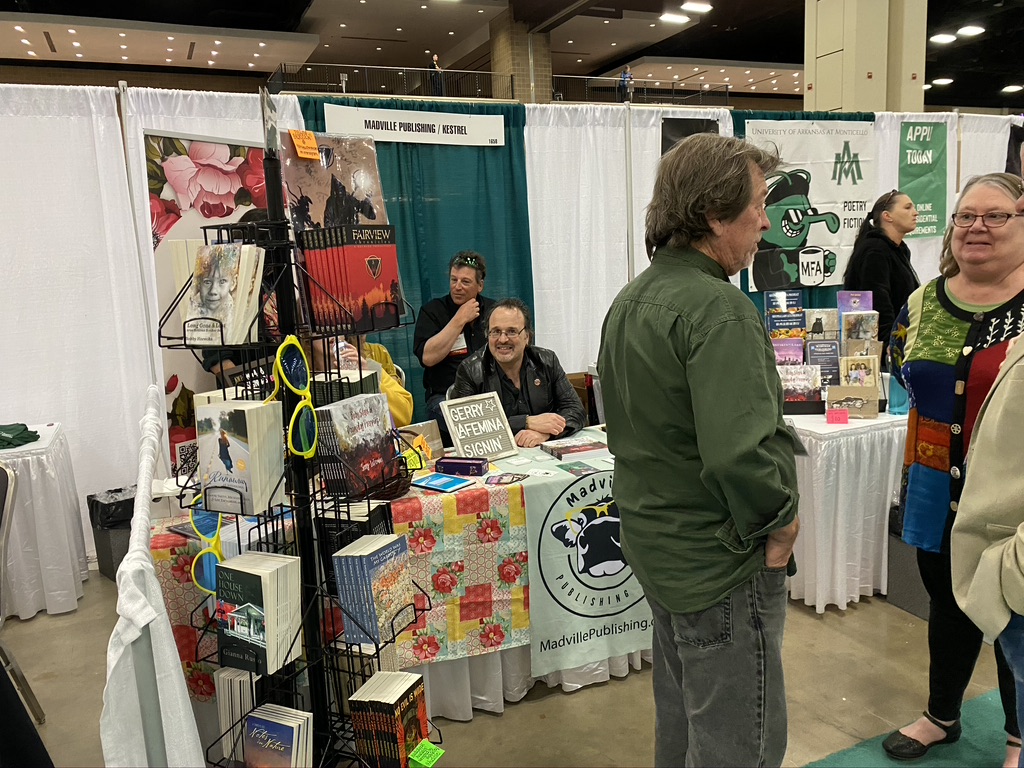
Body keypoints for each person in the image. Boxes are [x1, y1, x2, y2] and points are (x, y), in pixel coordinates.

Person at [597, 133, 800, 768]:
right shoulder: (722, 311)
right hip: (720, 560)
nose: (766, 220)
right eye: (758, 203)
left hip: (660, 548)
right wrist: (783, 522)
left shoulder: (631, 300)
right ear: (714, 214)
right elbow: (738, 454)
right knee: (744, 741)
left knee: (683, 719)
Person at [885, 172, 1024, 766]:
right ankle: (943, 714)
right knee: (946, 604)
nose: (977, 228)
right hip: (935, 488)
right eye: (966, 216)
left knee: (1016, 613)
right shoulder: (921, 302)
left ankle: (1020, 735)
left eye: (996, 216)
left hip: (1011, 497)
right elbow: (902, 372)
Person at [450, 298, 585, 447]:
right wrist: (527, 422)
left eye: (512, 331)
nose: (502, 339)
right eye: (495, 332)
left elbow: (575, 410)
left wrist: (545, 433)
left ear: (527, 336)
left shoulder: (546, 361)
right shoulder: (470, 370)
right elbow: (464, 429)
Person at [413, 251, 495, 437]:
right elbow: (428, 358)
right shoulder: (432, 311)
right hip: (446, 397)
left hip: (489, 396)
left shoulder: (494, 311)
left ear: (480, 285)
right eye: (453, 280)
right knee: (473, 426)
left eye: (465, 282)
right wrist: (459, 320)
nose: (457, 287)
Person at [843, 189, 920, 350]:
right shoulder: (876, 250)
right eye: (907, 208)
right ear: (887, 216)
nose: (915, 213)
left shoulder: (898, 249)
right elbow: (877, 304)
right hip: (885, 348)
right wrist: (891, 348)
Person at [309, 335, 414, 427]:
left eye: (333, 324)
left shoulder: (368, 365)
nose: (329, 331)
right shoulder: (303, 378)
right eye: (318, 329)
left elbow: (404, 416)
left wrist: (369, 379)